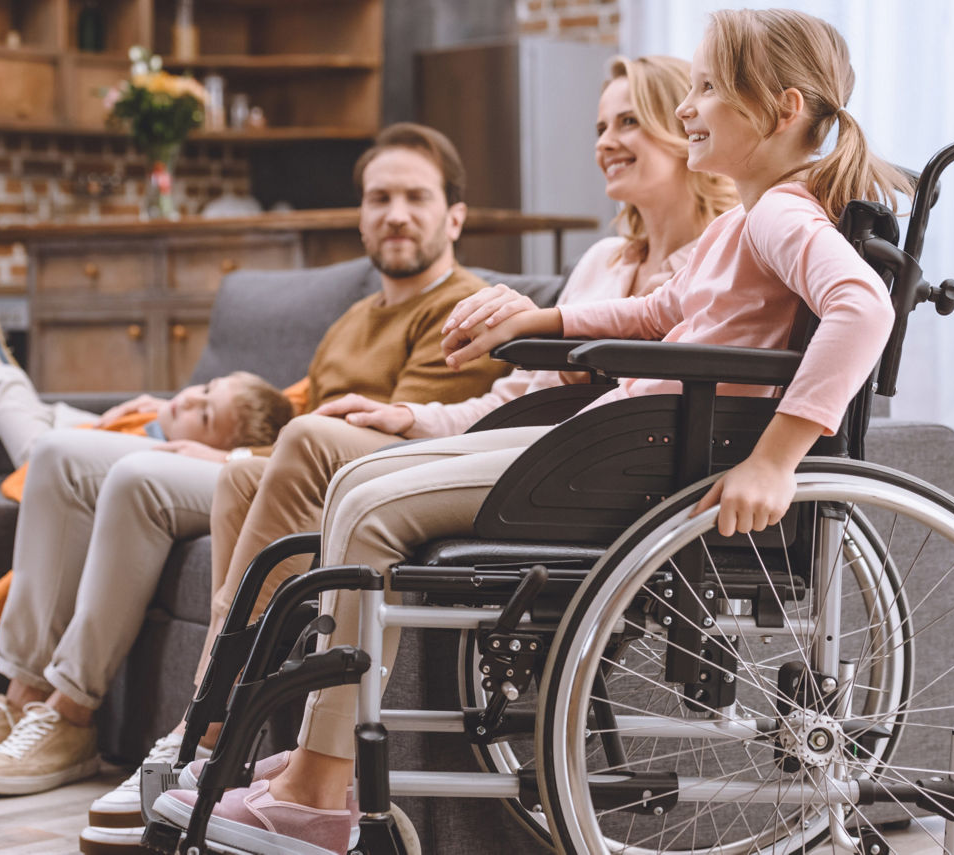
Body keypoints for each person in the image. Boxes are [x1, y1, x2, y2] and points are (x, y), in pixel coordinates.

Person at [154, 10, 909, 855]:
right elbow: (662, 310)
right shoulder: (747, 217)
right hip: (628, 441)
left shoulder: (780, 218)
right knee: (354, 483)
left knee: (371, 511)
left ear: (778, 111)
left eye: (703, 88)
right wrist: (545, 314)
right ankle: (313, 767)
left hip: (652, 462)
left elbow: (863, 309)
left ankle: (319, 790)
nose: (688, 106)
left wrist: (777, 458)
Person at [76, 52, 741, 850]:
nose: (606, 140)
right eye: (600, 124)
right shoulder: (602, 263)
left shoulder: (723, 255)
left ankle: (232, 735)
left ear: (684, 126)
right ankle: (233, 723)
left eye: (629, 120)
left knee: (333, 463)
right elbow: (511, 399)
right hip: (536, 443)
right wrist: (412, 418)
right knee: (280, 469)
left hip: (605, 466)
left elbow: (664, 381)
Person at [0, 122, 509, 798]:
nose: (395, 214)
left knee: (135, 478)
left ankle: (72, 712)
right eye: (379, 197)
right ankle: (24, 693)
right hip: (274, 465)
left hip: (324, 486)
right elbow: (304, 402)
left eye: (415, 198)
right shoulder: (357, 315)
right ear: (359, 214)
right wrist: (202, 421)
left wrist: (239, 450)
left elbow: (380, 447)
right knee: (61, 455)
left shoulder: (461, 310)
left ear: (454, 216)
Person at [0, 295, 294, 690]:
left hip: (78, 449)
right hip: (98, 427)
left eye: (205, 415)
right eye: (206, 388)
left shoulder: (140, 473)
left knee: (35, 435)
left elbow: (52, 557)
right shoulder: (156, 415)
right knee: (29, 417)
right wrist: (160, 409)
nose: (190, 398)